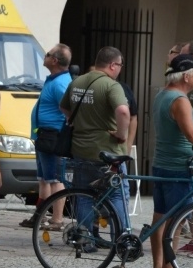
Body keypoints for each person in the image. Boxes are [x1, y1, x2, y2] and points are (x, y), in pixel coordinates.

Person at [59, 46, 130, 234]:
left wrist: (75, 121)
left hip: (81, 149)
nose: (120, 69)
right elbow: (123, 111)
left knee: (83, 196)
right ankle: (120, 239)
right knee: (116, 194)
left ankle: (84, 239)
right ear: (113, 65)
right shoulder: (111, 86)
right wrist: (122, 134)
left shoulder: (77, 81)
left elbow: (64, 107)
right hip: (108, 151)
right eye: (120, 65)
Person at [149, 54, 193, 268]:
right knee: (175, 224)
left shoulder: (162, 94)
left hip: (162, 163)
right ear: (187, 76)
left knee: (160, 219)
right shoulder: (180, 100)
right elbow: (192, 136)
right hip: (180, 168)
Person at [20, 44, 72, 229]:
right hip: (44, 135)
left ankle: (57, 219)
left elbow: (70, 110)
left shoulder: (60, 84)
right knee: (44, 178)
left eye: (48, 54)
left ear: (55, 60)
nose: (45, 56)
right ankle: (40, 216)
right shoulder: (54, 80)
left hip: (53, 136)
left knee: (55, 178)